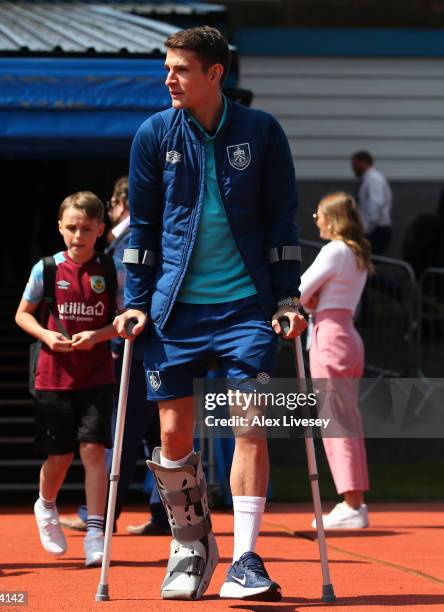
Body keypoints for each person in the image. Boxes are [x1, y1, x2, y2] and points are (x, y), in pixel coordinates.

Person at [114, 26, 306, 601]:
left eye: (180, 69)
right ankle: (191, 545)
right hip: (175, 307)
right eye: (167, 68)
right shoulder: (153, 134)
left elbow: (282, 222)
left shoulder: (262, 132)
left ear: (214, 73)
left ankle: (246, 558)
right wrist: (134, 302)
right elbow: (143, 229)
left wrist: (287, 297)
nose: (168, 78)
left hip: (247, 305)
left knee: (250, 421)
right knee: (173, 436)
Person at [61, 177, 169, 536]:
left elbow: (125, 301)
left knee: (119, 433)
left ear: (120, 204)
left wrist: (105, 337)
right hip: (155, 348)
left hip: (134, 348)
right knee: (161, 436)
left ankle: (100, 513)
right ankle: (166, 513)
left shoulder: (131, 238)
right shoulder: (150, 235)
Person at [15, 191, 117, 567]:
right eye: (72, 228)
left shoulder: (109, 270)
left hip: (97, 373)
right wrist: (45, 335)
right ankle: (46, 505)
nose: (78, 235)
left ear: (100, 230)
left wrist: (98, 335)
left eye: (86, 229)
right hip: (53, 375)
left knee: (93, 451)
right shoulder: (47, 269)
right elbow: (22, 314)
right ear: (60, 228)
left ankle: (95, 531)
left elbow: (124, 320)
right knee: (60, 456)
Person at [299, 192, 373, 529]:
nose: (316, 220)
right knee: (346, 420)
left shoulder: (335, 250)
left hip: (331, 337)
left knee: (336, 421)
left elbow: (300, 290)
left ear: (331, 219)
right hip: (346, 335)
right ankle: (352, 501)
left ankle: (352, 503)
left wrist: (309, 301)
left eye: (318, 215)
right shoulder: (354, 252)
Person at [351, 151, 392, 255]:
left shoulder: (373, 179)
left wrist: (366, 230)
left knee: (368, 265)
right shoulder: (370, 178)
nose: (353, 168)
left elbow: (376, 204)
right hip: (374, 229)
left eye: (355, 164)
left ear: (363, 162)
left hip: (376, 230)